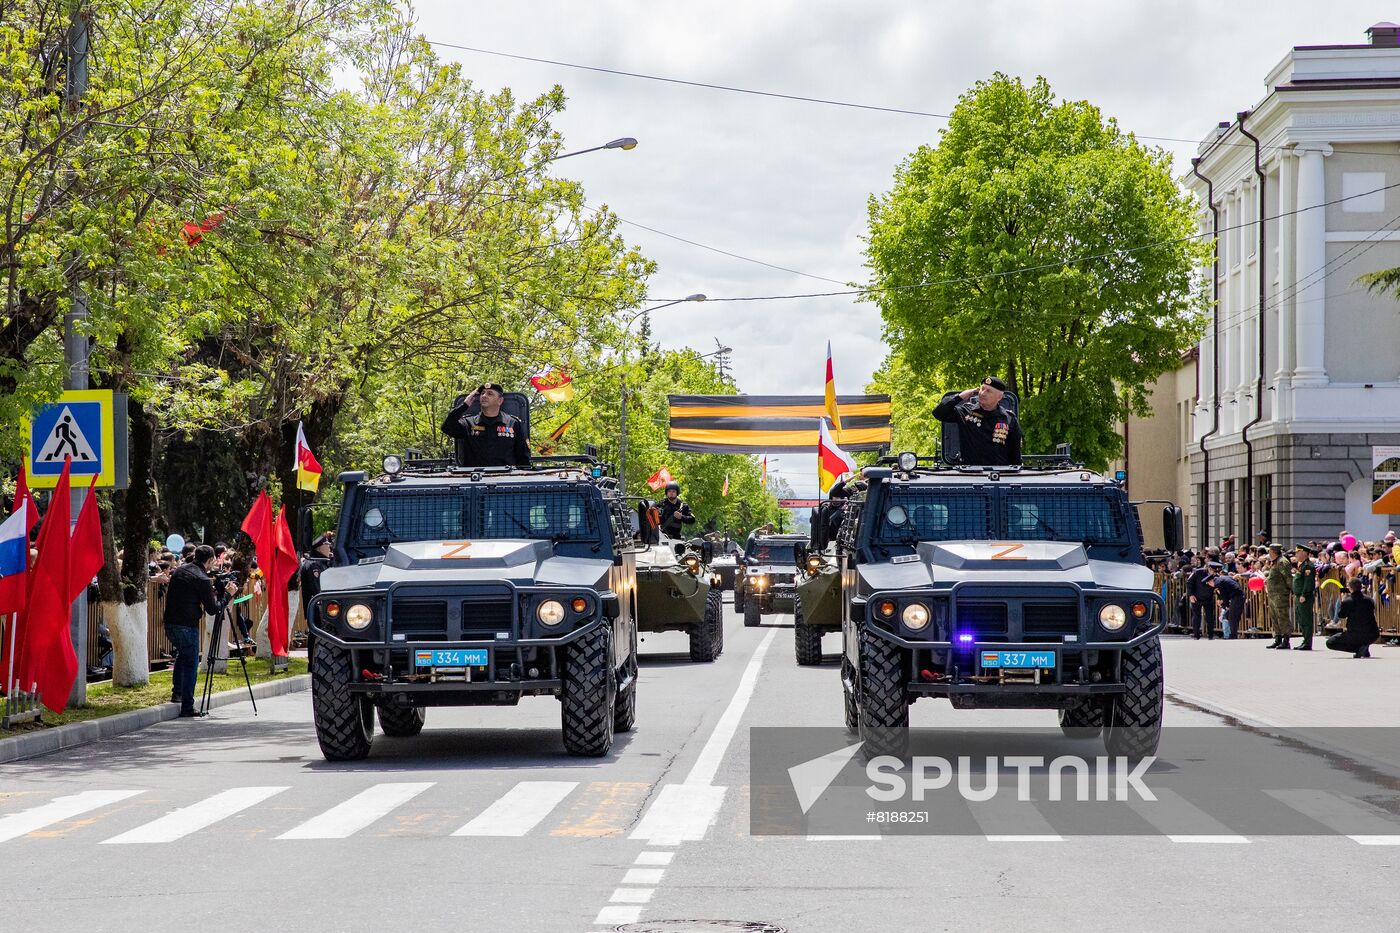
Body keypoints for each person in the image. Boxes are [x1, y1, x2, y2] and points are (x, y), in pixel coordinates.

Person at [163, 544, 237, 717]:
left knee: (183, 655)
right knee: (191, 664)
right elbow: (213, 608)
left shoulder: (180, 571)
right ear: (210, 560)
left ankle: (178, 694)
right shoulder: (201, 579)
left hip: (170, 623)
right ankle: (187, 707)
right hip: (187, 626)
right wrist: (228, 594)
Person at [932, 376, 1023, 466]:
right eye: (982, 389)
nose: (982, 393)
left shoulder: (1009, 418)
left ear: (999, 397)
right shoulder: (966, 412)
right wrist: (959, 397)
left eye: (988, 391)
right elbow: (939, 413)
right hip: (971, 473)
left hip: (999, 475)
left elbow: (1015, 455)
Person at [440, 383, 530, 468]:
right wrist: (465, 405)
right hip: (476, 478)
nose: (484, 396)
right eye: (482, 393)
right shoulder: (469, 423)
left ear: (500, 400)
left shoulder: (512, 423)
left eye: (490, 394)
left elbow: (522, 457)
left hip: (505, 477)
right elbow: (447, 427)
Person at [1328, 578, 1379, 659]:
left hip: (1355, 634)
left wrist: (1343, 601)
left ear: (1350, 588)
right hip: (1373, 633)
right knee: (1363, 636)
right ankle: (1364, 648)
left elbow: (1341, 615)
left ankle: (1358, 649)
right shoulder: (1369, 600)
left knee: (1330, 642)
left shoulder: (1347, 601)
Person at [1265, 544, 1293, 649]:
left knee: (1282, 617)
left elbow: (1288, 578)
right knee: (1274, 617)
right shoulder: (1275, 562)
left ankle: (1286, 640)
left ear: (1274, 552)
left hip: (1280, 594)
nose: (1268, 553)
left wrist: (1293, 590)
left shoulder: (1282, 562)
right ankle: (1278, 638)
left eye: (1270, 551)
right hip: (1273, 595)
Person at [1291, 544, 1317, 651]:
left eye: (1298, 552)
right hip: (1298, 595)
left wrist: (1304, 595)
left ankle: (1307, 642)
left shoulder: (1308, 566)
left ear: (1304, 553)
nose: (1296, 554)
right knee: (1301, 619)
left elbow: (1308, 583)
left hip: (1304, 596)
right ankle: (1305, 640)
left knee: (1306, 619)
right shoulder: (1301, 565)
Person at [1210, 568, 1245, 640]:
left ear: (1211, 581)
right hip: (1238, 596)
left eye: (1209, 583)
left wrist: (1226, 606)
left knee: (1232, 617)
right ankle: (1233, 634)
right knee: (1234, 617)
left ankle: (1233, 635)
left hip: (1236, 597)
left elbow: (1224, 595)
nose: (1210, 585)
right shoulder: (1224, 578)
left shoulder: (1218, 582)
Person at [1187, 555, 1216, 640]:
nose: (1212, 571)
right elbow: (1189, 583)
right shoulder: (1197, 572)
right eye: (1210, 569)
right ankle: (1196, 635)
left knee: (1210, 616)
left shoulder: (1215, 575)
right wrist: (1190, 595)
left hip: (1208, 597)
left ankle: (1210, 635)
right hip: (1196, 597)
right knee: (1196, 616)